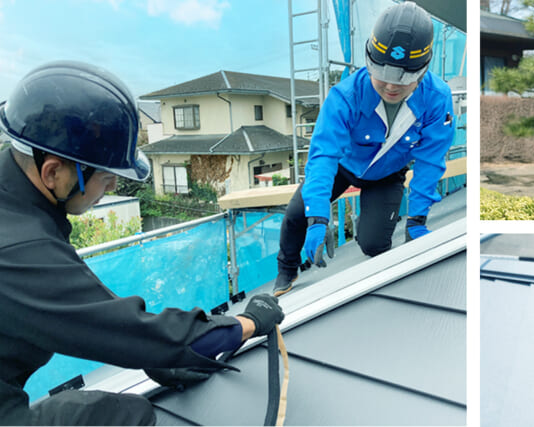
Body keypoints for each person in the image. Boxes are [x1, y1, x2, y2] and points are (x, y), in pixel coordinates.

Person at [0, 61, 285, 425]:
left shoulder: (17, 209)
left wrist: (155, 357)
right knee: (125, 417)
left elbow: (79, 298)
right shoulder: (18, 249)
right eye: (105, 177)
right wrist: (247, 323)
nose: (114, 188)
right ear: (52, 172)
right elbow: (119, 327)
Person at [274, 2, 457, 293]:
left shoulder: (437, 99)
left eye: (404, 79)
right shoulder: (345, 96)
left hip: (387, 174)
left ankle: (375, 235)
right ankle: (286, 270)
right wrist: (318, 216)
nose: (391, 87)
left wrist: (418, 218)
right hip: (343, 166)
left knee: (374, 245)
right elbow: (322, 156)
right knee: (297, 214)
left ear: (422, 71)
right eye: (382, 76)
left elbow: (430, 160)